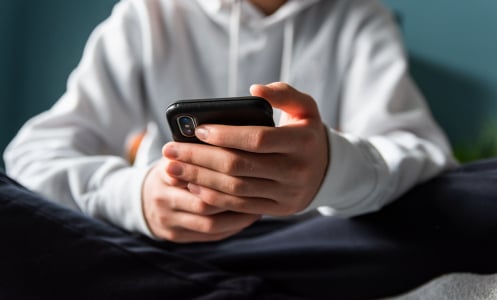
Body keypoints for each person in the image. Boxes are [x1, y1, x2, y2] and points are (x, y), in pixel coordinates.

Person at [1, 0, 471, 299]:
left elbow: (422, 151)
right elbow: (35, 151)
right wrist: (136, 197)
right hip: (170, 245)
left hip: (311, 245)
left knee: (481, 191)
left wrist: (330, 169)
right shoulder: (146, 15)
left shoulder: (359, 17)